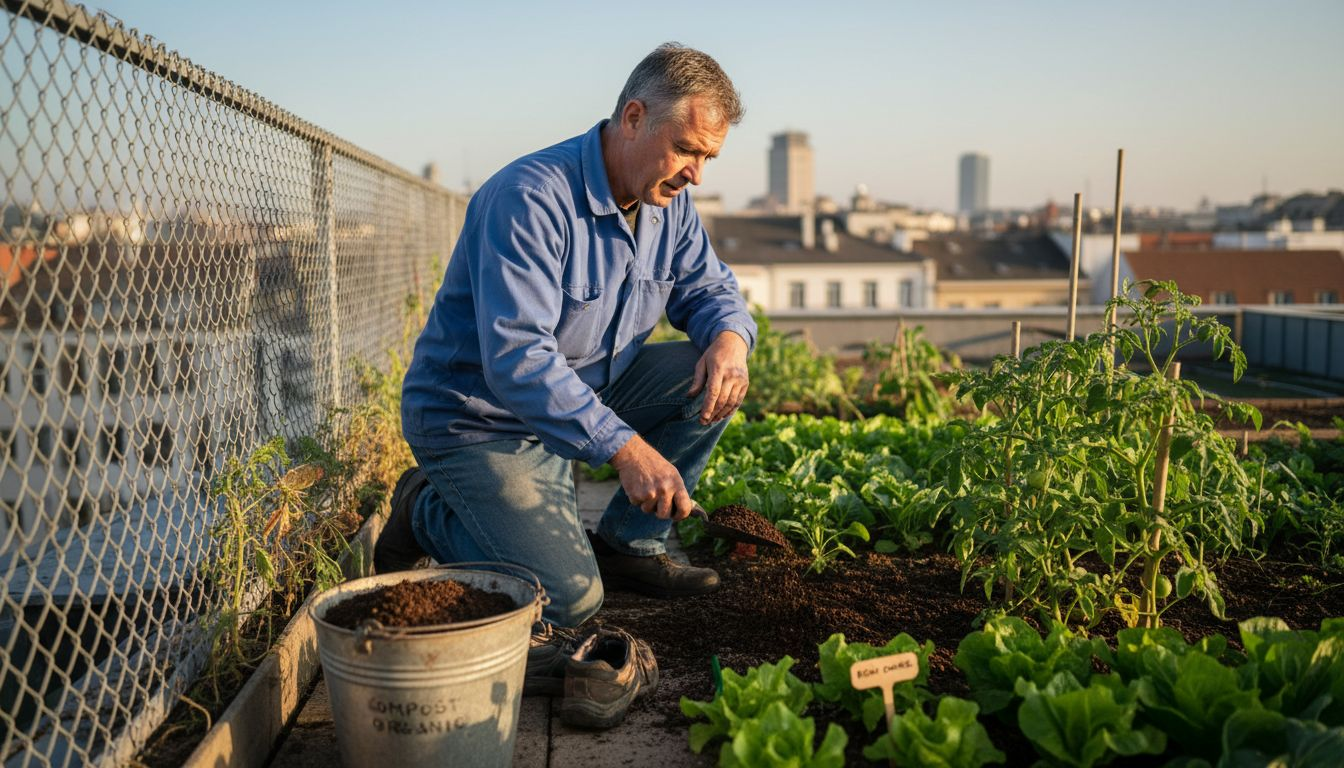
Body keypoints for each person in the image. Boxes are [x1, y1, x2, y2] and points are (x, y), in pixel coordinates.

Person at [374, 43, 755, 709]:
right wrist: (625, 449)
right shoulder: (529, 199)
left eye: (708, 159)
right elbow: (519, 361)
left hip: (583, 393)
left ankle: (629, 545)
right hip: (479, 420)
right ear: (633, 118)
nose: (696, 173)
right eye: (687, 149)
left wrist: (729, 341)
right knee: (573, 600)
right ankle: (428, 508)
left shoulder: (668, 204)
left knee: (713, 379)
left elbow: (710, 291)